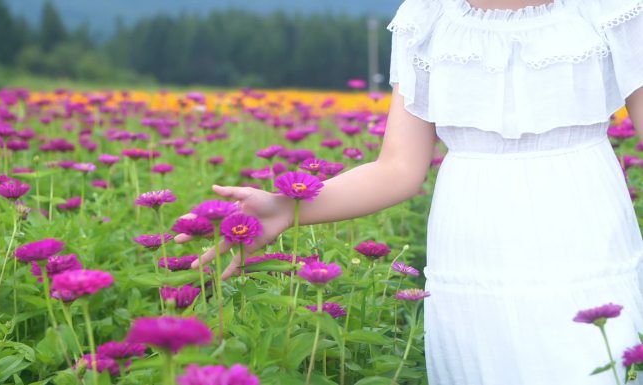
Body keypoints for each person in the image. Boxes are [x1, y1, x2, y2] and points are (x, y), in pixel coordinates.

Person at [176, 0, 643, 383]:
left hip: (584, 233)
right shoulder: (430, 17)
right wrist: (283, 210)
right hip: (471, 247)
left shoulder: (610, 10)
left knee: (595, 362)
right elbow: (398, 168)